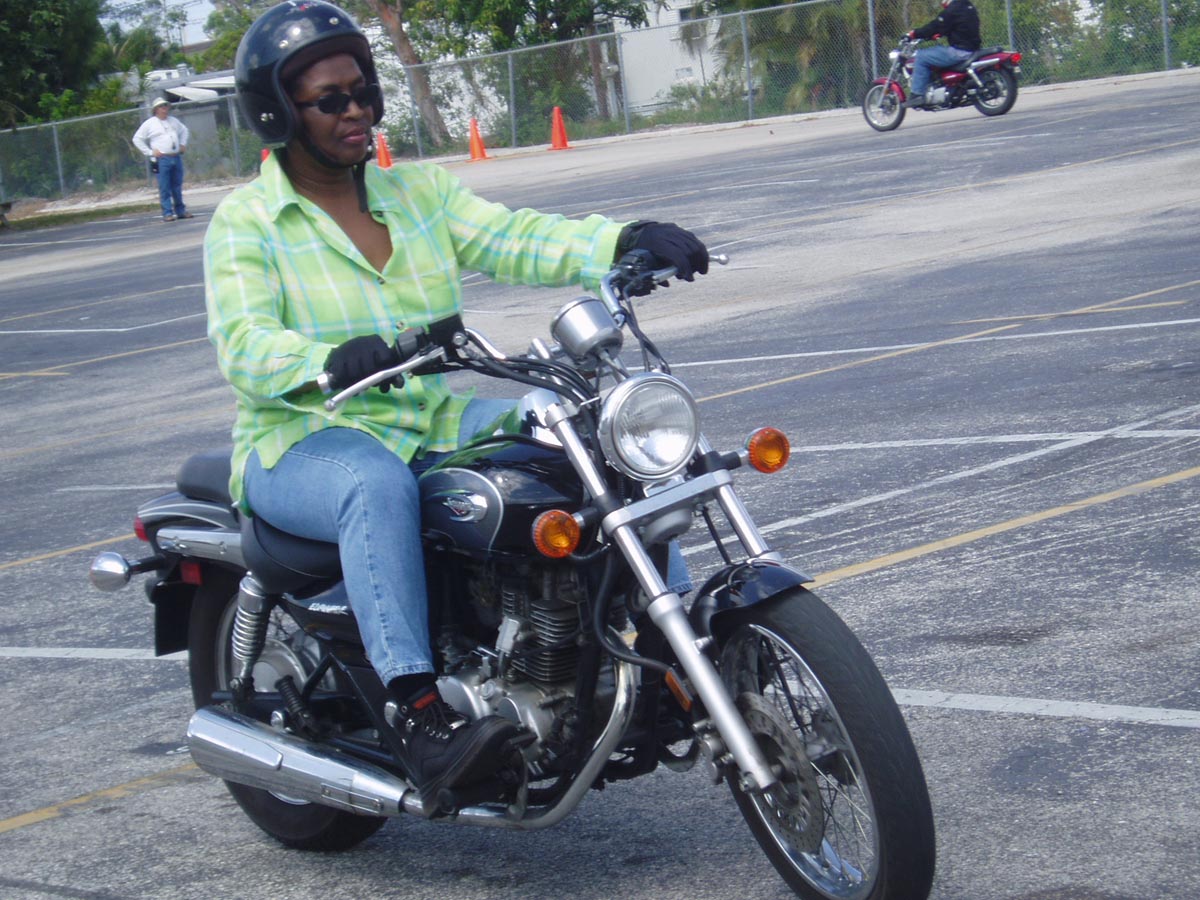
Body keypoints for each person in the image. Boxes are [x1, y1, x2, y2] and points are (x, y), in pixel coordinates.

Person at [206, 1, 709, 804]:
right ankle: (416, 711)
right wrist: (324, 361)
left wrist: (619, 241)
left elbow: (513, 236)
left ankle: (665, 645)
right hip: (301, 439)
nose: (355, 110)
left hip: (426, 422)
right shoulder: (248, 222)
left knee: (579, 434)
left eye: (362, 91)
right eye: (330, 99)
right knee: (374, 482)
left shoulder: (416, 194)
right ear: (279, 113)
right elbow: (243, 343)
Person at [905, 0, 982, 108]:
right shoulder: (967, 5)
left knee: (921, 56)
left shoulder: (952, 10)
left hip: (959, 51)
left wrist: (914, 34)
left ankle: (917, 94)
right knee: (937, 51)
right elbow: (957, 26)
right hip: (972, 48)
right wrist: (938, 33)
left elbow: (935, 25)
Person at [132, 97, 194, 221]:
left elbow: (184, 131)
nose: (164, 108)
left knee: (177, 186)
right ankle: (167, 212)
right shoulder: (150, 123)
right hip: (161, 159)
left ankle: (180, 211)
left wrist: (182, 144)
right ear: (156, 109)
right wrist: (150, 152)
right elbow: (137, 139)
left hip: (175, 156)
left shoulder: (173, 121)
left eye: (165, 105)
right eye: (161, 106)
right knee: (164, 187)